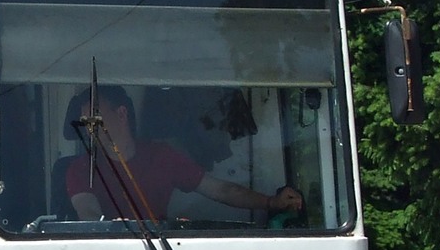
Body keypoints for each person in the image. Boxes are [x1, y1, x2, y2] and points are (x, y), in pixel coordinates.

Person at [62, 87, 303, 224]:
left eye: (95, 116)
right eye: (85, 121)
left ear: (122, 113)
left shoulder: (161, 156)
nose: (90, 126)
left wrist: (271, 202)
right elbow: (89, 215)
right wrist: (117, 232)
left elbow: (220, 190)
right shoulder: (81, 170)